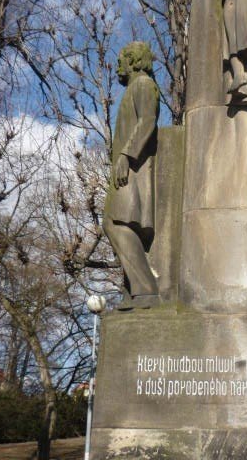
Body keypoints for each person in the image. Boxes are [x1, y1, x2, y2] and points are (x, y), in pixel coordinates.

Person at [103, 41, 160, 309]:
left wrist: (126, 156)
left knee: (117, 223)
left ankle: (145, 289)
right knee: (116, 224)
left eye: (122, 57)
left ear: (134, 60)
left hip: (133, 167)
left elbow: (148, 119)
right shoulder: (134, 88)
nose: (118, 64)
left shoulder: (143, 84)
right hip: (125, 167)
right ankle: (133, 289)